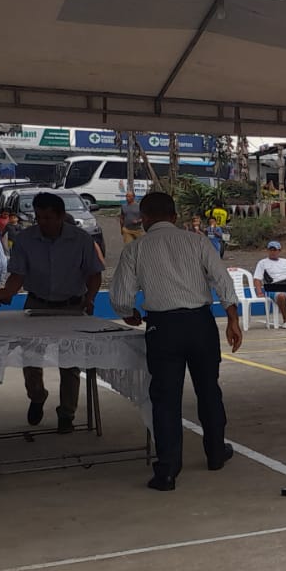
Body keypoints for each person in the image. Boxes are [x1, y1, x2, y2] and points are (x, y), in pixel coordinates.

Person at [109, 191, 242, 491]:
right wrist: (232, 319)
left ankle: (167, 471)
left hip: (163, 327)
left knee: (166, 398)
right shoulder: (198, 241)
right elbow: (222, 280)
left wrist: (129, 312)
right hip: (200, 323)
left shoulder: (135, 249)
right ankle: (215, 453)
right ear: (174, 216)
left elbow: (120, 296)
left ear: (143, 219)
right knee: (209, 389)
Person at [0, 192, 103, 433]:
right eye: (38, 217)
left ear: (61, 216)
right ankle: (37, 396)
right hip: (37, 305)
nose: (42, 222)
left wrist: (90, 299)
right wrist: (4, 293)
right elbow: (17, 276)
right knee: (31, 358)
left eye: (48, 217)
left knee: (70, 362)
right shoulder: (25, 240)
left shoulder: (81, 240)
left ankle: (67, 413)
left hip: (72, 306)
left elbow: (94, 274)